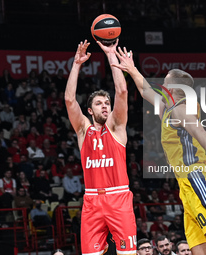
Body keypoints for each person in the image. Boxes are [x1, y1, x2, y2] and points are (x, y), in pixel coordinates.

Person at [113, 47, 206, 255]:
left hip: (198, 176)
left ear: (173, 88)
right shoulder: (168, 108)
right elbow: (146, 91)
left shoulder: (179, 109)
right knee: (200, 251)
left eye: (165, 81)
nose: (162, 84)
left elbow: (197, 128)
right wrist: (131, 68)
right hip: (186, 184)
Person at [64, 40, 136, 255]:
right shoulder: (83, 131)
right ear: (89, 110)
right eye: (99, 103)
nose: (105, 105)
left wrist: (111, 54)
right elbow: (69, 99)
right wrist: (76, 64)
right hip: (92, 200)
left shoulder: (116, 127)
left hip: (118, 197)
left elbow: (122, 90)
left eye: (107, 103)